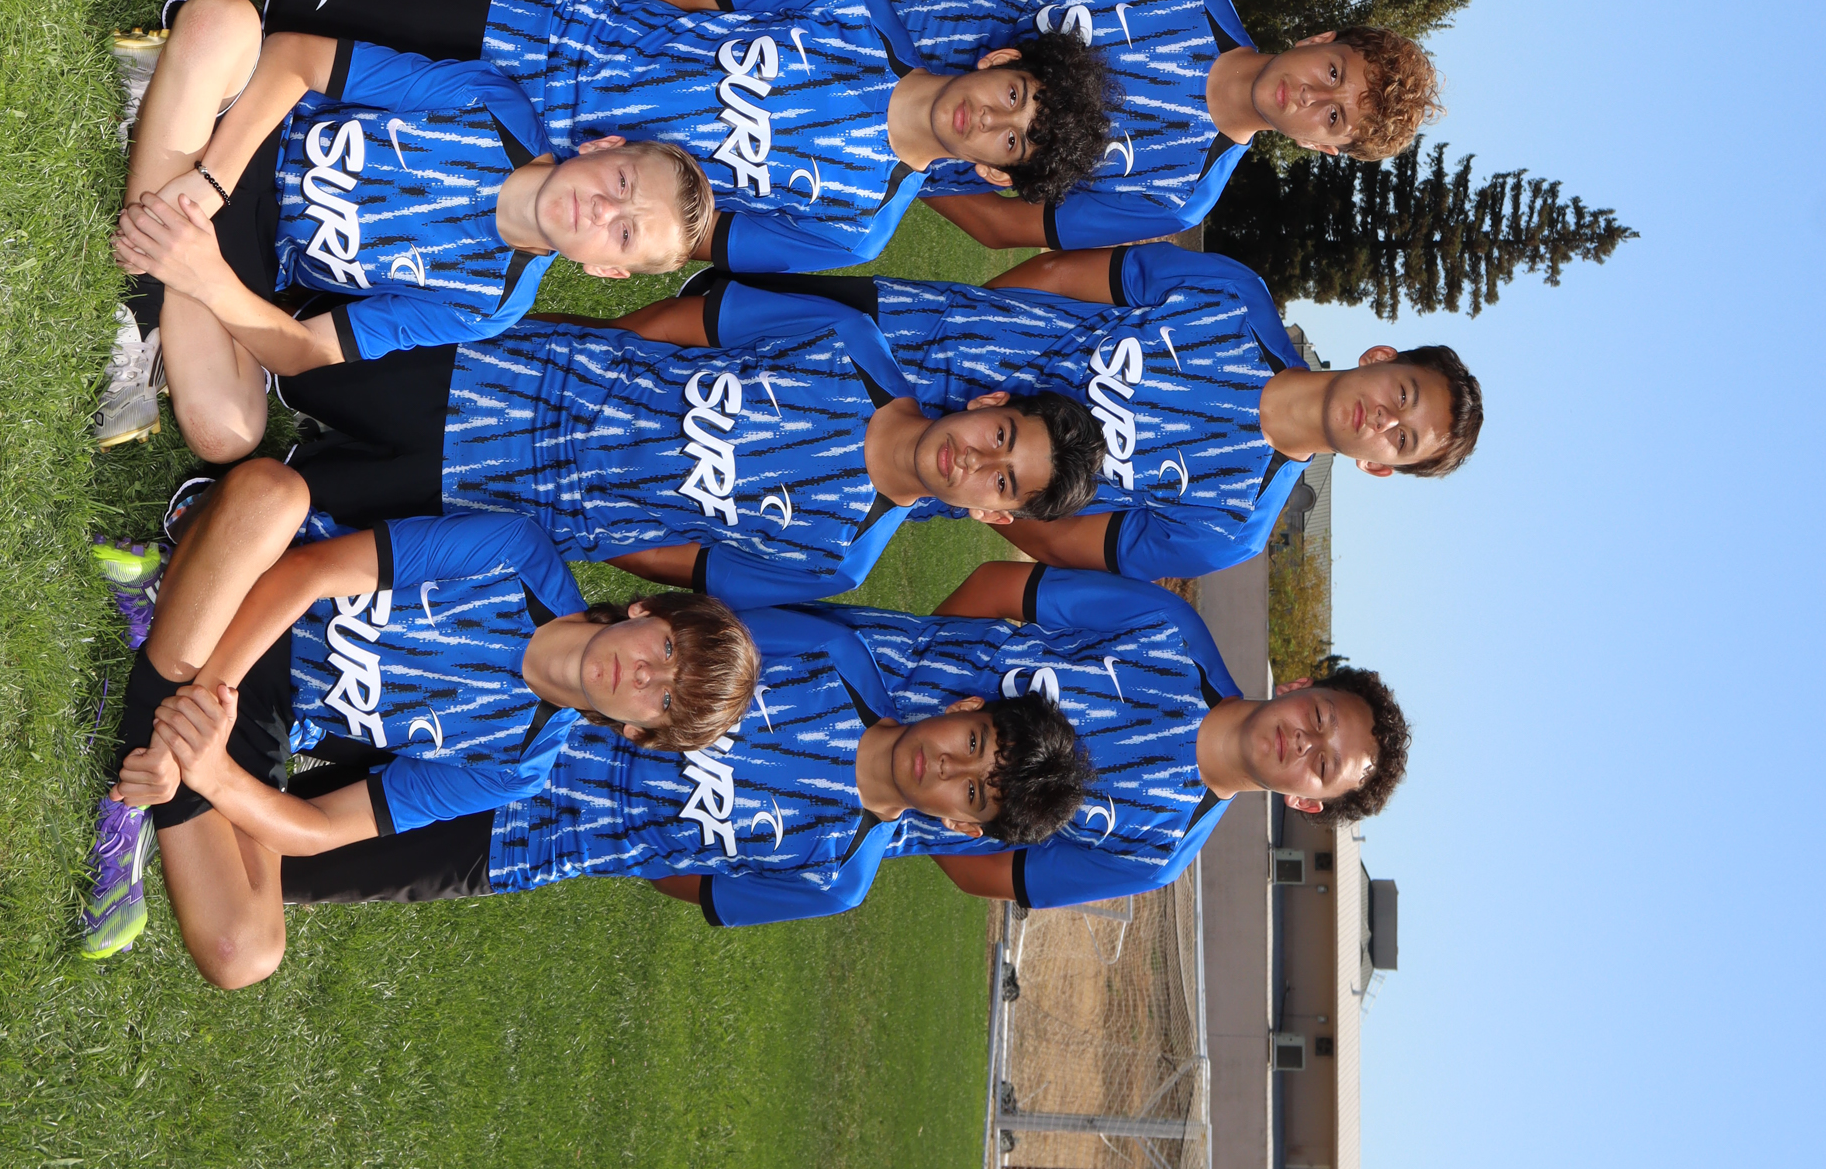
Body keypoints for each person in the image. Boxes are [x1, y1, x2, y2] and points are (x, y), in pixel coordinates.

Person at [274, 568, 1407, 918]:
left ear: (1307, 801)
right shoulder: (1165, 633)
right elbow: (1000, 591)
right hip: (798, 692)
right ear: (1304, 685)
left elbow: (988, 867)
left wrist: (924, 801)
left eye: (1323, 764)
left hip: (793, 810)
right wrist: (898, 692)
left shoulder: (1155, 849)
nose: (1304, 743)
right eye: (1321, 719)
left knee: (304, 852)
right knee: (378, 692)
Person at [76, 463, 758, 974]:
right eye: (667, 650)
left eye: (662, 701)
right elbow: (308, 573)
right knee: (271, 495)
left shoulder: (517, 766)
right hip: (262, 593)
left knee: (245, 952)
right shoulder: (519, 555)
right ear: (646, 610)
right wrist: (208, 699)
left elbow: (319, 829)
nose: (643, 675)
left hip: (268, 716)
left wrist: (212, 771)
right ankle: (144, 770)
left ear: (636, 733)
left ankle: (164, 634)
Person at [103, 0, 711, 460]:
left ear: (604, 270)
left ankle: (160, 117)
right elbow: (295, 58)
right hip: (249, 136)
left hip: (251, 255)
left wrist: (208, 278)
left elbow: (305, 352)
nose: (604, 209)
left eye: (624, 234)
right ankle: (149, 297)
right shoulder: (494, 105)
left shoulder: (491, 304)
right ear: (602, 147)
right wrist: (212, 181)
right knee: (223, 20)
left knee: (229, 432)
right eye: (623, 183)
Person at [650, 248, 1482, 581]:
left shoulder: (1232, 527)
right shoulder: (1235, 297)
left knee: (678, 464)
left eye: (1401, 439)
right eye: (1403, 394)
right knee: (673, 321)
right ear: (1382, 356)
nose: (1384, 417)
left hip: (881, 475)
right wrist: (969, 331)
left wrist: (988, 484)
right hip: (900, 328)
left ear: (1378, 466)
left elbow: (1057, 535)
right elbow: (1061, 278)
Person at [257, 0, 1120, 272]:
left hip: (533, 171)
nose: (992, 121)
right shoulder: (854, 9)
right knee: (297, 1)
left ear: (991, 172)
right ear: (999, 62)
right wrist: (605, 47)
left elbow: (688, 236)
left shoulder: (857, 227)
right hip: (539, 37)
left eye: (1011, 143)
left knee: (349, 155)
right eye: (1014, 97)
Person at [263, 305, 1103, 606]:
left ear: (994, 515)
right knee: (291, 367)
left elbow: (687, 562)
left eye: (1002, 482)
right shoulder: (849, 342)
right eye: (1000, 437)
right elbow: (686, 326)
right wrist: (580, 361)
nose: (977, 461)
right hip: (505, 382)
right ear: (990, 404)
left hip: (510, 496)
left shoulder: (841, 557)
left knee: (283, 495)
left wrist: (589, 523)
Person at [864, 0, 1442, 249]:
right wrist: (910, 34)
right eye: (1333, 72)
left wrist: (915, 164)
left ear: (1321, 147)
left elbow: (1006, 227)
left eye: (1333, 116)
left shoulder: (1182, 196)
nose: (1312, 95)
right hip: (869, 26)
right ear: (1319, 40)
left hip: (871, 153)